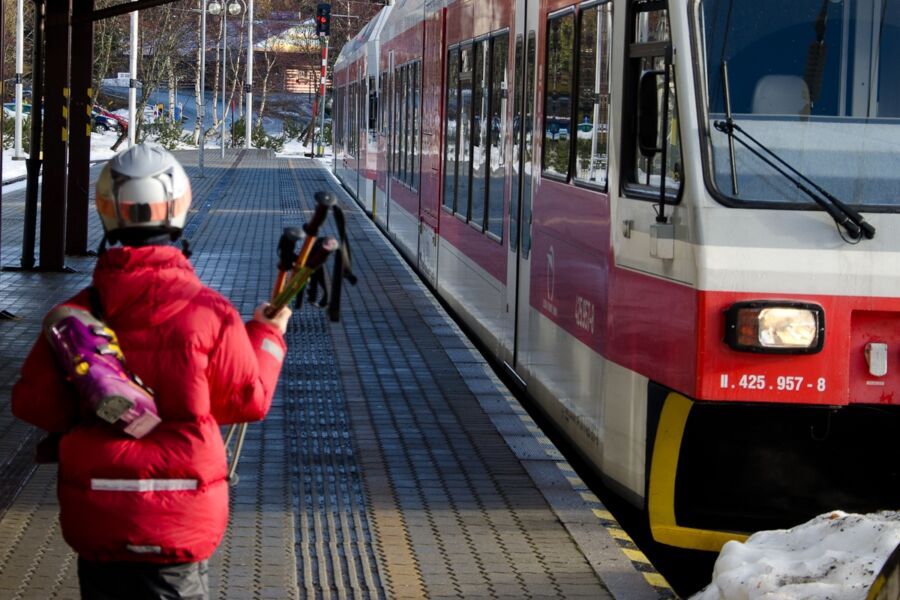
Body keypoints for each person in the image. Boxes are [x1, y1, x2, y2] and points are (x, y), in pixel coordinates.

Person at [11, 143, 291, 599]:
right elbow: (248, 400)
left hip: (98, 515)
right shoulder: (211, 312)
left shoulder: (76, 315)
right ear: (178, 208)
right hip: (180, 521)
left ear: (108, 213)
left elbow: (31, 401)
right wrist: (267, 335)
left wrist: (91, 411)